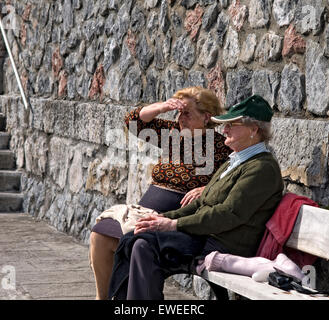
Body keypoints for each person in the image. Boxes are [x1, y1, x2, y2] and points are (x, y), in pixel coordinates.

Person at [107, 94, 284, 300]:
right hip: (205, 235)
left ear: (254, 130)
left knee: (144, 245)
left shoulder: (262, 167)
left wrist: (174, 225)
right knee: (133, 239)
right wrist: (164, 218)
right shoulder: (234, 161)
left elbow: (228, 214)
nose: (224, 129)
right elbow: (201, 202)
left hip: (222, 243)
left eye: (231, 125)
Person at [89, 86, 232, 299]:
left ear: (206, 117)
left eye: (187, 113)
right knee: (100, 235)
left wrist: (206, 188)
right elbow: (133, 122)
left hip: (172, 221)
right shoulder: (173, 134)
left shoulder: (221, 146)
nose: (180, 118)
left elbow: (235, 176)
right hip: (143, 210)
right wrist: (162, 107)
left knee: (129, 243)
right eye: (178, 112)